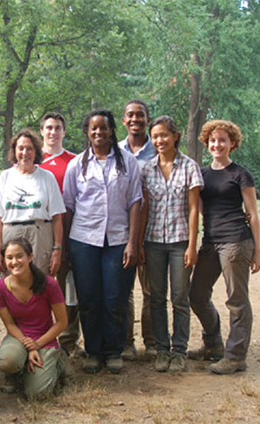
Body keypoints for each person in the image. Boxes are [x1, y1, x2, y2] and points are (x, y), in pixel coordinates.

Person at [63, 109, 142, 374]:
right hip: (84, 240)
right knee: (88, 298)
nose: (99, 132)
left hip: (118, 239)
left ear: (111, 130)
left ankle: (113, 351)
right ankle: (94, 351)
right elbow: (69, 205)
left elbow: (135, 202)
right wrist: (65, 246)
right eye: (93, 128)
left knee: (115, 298)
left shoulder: (128, 162)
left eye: (104, 127)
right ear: (87, 132)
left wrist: (133, 243)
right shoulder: (77, 164)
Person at [189, 120, 260, 375]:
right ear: (206, 143)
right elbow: (197, 208)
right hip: (210, 242)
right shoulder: (202, 174)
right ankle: (213, 344)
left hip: (236, 242)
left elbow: (252, 213)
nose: (217, 144)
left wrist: (257, 251)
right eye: (213, 140)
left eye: (222, 140)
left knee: (237, 300)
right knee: (196, 295)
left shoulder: (240, 174)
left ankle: (235, 356)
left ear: (232, 143)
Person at [140, 116, 203, 372]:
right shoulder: (147, 169)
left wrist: (192, 245)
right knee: (156, 298)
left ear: (175, 136)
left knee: (179, 298)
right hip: (153, 241)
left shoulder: (189, 167)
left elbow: (194, 208)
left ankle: (179, 350)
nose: (159, 140)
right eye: (155, 136)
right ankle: (161, 349)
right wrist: (140, 243)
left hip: (180, 242)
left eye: (164, 135)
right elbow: (144, 208)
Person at [0, 238, 71, 397]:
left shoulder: (49, 284)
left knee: (37, 394)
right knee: (7, 362)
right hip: (18, 337)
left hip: (45, 338)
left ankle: (58, 362)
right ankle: (16, 371)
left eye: (19, 256)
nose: (14, 262)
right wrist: (28, 346)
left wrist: (37, 345)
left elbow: (62, 323)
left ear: (30, 257)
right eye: (9, 258)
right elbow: (10, 325)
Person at [0, 129, 65, 276]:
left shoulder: (47, 177)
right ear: (14, 151)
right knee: (12, 281)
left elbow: (57, 217)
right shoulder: (5, 177)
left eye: (29, 148)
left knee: (39, 280)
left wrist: (57, 249)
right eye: (21, 148)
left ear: (36, 151)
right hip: (11, 235)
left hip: (39, 235)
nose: (25, 152)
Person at [38, 112, 82, 357]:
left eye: (57, 128)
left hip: (69, 233)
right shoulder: (31, 159)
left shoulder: (75, 161)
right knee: (40, 287)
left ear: (64, 132)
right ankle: (41, 337)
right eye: (49, 127)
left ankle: (68, 340)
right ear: (41, 131)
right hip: (39, 234)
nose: (53, 132)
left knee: (69, 290)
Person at [118, 99, 157, 360]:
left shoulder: (159, 149)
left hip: (154, 230)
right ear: (123, 120)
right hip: (123, 230)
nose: (135, 119)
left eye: (140, 115)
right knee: (125, 290)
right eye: (130, 115)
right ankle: (126, 342)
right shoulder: (116, 151)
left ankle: (152, 342)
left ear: (147, 119)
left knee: (151, 290)